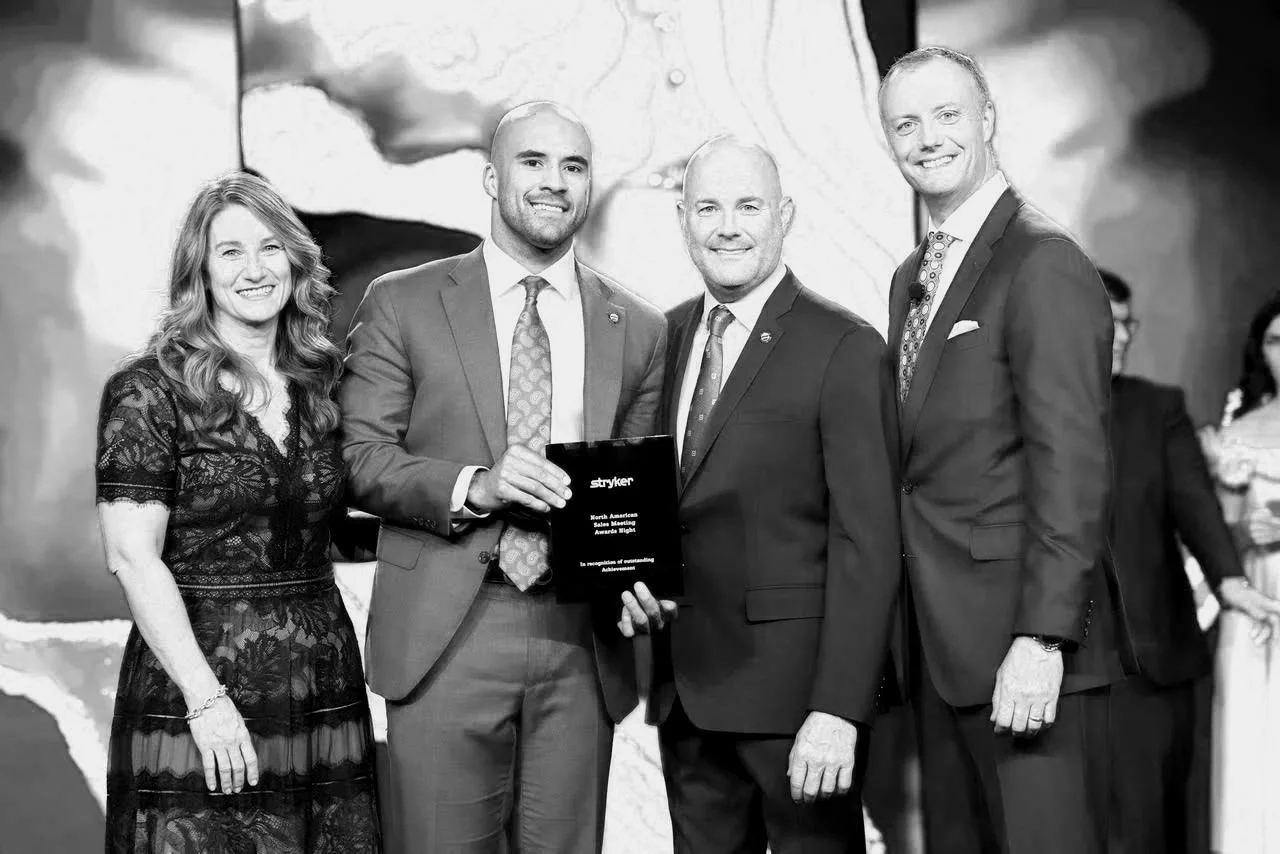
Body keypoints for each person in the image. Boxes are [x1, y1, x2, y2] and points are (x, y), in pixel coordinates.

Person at [338, 101, 667, 853]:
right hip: (446, 631)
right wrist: (475, 486)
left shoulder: (639, 328)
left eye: (574, 166)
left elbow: (636, 497)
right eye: (534, 162)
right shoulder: (401, 301)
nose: (555, 182)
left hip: (579, 641)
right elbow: (358, 460)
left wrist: (642, 580)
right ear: (491, 178)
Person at [619, 135, 900, 854]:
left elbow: (869, 543)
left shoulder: (844, 346)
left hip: (799, 708)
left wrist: (839, 709)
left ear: (786, 215)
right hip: (687, 695)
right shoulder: (665, 335)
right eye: (707, 207)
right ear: (682, 220)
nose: (727, 226)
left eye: (748, 205)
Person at [878, 46, 1128, 854]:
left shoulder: (1041, 259)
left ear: (987, 120)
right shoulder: (912, 274)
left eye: (947, 115)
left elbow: (1073, 466)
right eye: (905, 123)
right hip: (944, 649)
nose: (927, 138)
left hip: (1027, 655)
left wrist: (1044, 638)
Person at [95, 172, 382, 853]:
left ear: (294, 260)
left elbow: (347, 518)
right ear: (200, 271)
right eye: (230, 252)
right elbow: (131, 557)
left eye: (269, 247)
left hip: (320, 686)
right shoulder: (147, 393)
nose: (254, 270)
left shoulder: (326, 384)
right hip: (197, 685)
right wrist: (206, 700)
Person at [1103, 270, 1280, 853]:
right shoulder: (1020, 407)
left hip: (1162, 653)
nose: (1121, 336)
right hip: (1047, 666)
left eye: (1129, 324)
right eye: (1110, 321)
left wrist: (1231, 573)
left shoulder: (1158, 409)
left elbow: (1196, 515)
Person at [1201, 294, 1280, 853]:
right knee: (1254, 746)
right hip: (1259, 602)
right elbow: (1218, 541)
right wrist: (1243, 534)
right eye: (1277, 341)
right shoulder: (1239, 433)